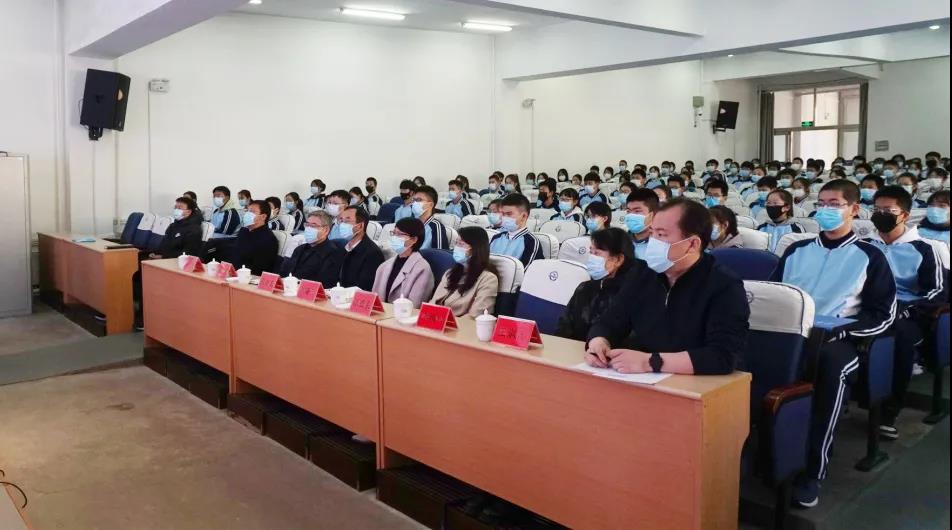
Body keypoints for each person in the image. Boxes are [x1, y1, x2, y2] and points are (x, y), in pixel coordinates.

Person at [771, 179, 897, 508]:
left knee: (831, 372)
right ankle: (763, 456)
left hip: (840, 339)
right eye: (822, 204)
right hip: (791, 333)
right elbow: (774, 294)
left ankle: (812, 470)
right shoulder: (796, 251)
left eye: (835, 204)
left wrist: (846, 331)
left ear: (854, 210)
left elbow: (883, 314)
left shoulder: (870, 256)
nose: (826, 210)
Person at [586, 198, 749, 376]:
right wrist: (598, 342)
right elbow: (610, 321)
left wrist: (650, 362)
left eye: (661, 235)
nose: (653, 241)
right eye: (652, 233)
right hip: (644, 378)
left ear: (692, 244)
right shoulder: (643, 274)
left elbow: (722, 356)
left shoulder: (724, 285)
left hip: (699, 382)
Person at [865, 186, 946, 439]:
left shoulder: (925, 248)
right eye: (877, 209)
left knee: (898, 338)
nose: (881, 214)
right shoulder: (866, 245)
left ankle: (889, 410)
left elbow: (937, 292)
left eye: (888, 210)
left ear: (904, 215)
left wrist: (908, 308)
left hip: (907, 313)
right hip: (870, 308)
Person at [557, 228, 640, 340]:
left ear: (618, 259)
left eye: (597, 253)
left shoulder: (635, 296)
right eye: (591, 252)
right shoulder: (584, 288)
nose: (591, 258)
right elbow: (564, 328)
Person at [430, 227, 499, 317]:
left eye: (461, 244)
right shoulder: (449, 273)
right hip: (436, 320)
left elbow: (476, 315)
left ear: (475, 248)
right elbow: (433, 303)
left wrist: (446, 321)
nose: (456, 247)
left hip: (461, 324)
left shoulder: (488, 279)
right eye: (456, 243)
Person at [372, 218, 434, 308]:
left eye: (399, 234)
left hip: (402, 315)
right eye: (394, 233)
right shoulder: (384, 266)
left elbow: (414, 306)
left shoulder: (422, 269)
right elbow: (374, 299)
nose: (394, 238)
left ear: (414, 239)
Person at [279, 210, 343, 286]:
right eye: (307, 225)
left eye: (313, 226)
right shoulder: (300, 248)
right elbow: (286, 272)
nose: (308, 229)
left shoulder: (333, 253)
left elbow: (324, 283)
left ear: (326, 230)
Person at [337, 205, 384, 291]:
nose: (342, 224)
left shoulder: (372, 253)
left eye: (347, 221)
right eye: (341, 220)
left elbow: (364, 287)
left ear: (360, 225)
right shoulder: (342, 247)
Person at [489, 194, 544, 267]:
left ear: (523, 216)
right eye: (503, 214)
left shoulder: (531, 242)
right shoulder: (496, 238)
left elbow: (526, 271)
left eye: (509, 214)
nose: (504, 217)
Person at [233, 200, 279, 275]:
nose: (247, 214)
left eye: (252, 212)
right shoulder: (243, 231)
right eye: (247, 211)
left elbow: (260, 268)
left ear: (263, 216)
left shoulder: (269, 239)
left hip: (250, 276)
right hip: (234, 272)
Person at [758, 189, 805, 253]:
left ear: (787, 207)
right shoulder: (761, 228)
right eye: (768, 203)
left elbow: (799, 251)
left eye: (775, 203)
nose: (771, 206)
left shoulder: (795, 228)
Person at [624, 189, 659, 259]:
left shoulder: (662, 244)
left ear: (653, 214)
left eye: (637, 211)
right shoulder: (620, 241)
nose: (631, 215)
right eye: (628, 211)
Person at [412, 185, 449, 250]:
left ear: (431, 204)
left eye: (419, 200)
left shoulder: (436, 226)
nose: (415, 203)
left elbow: (439, 253)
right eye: (414, 200)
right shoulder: (411, 223)